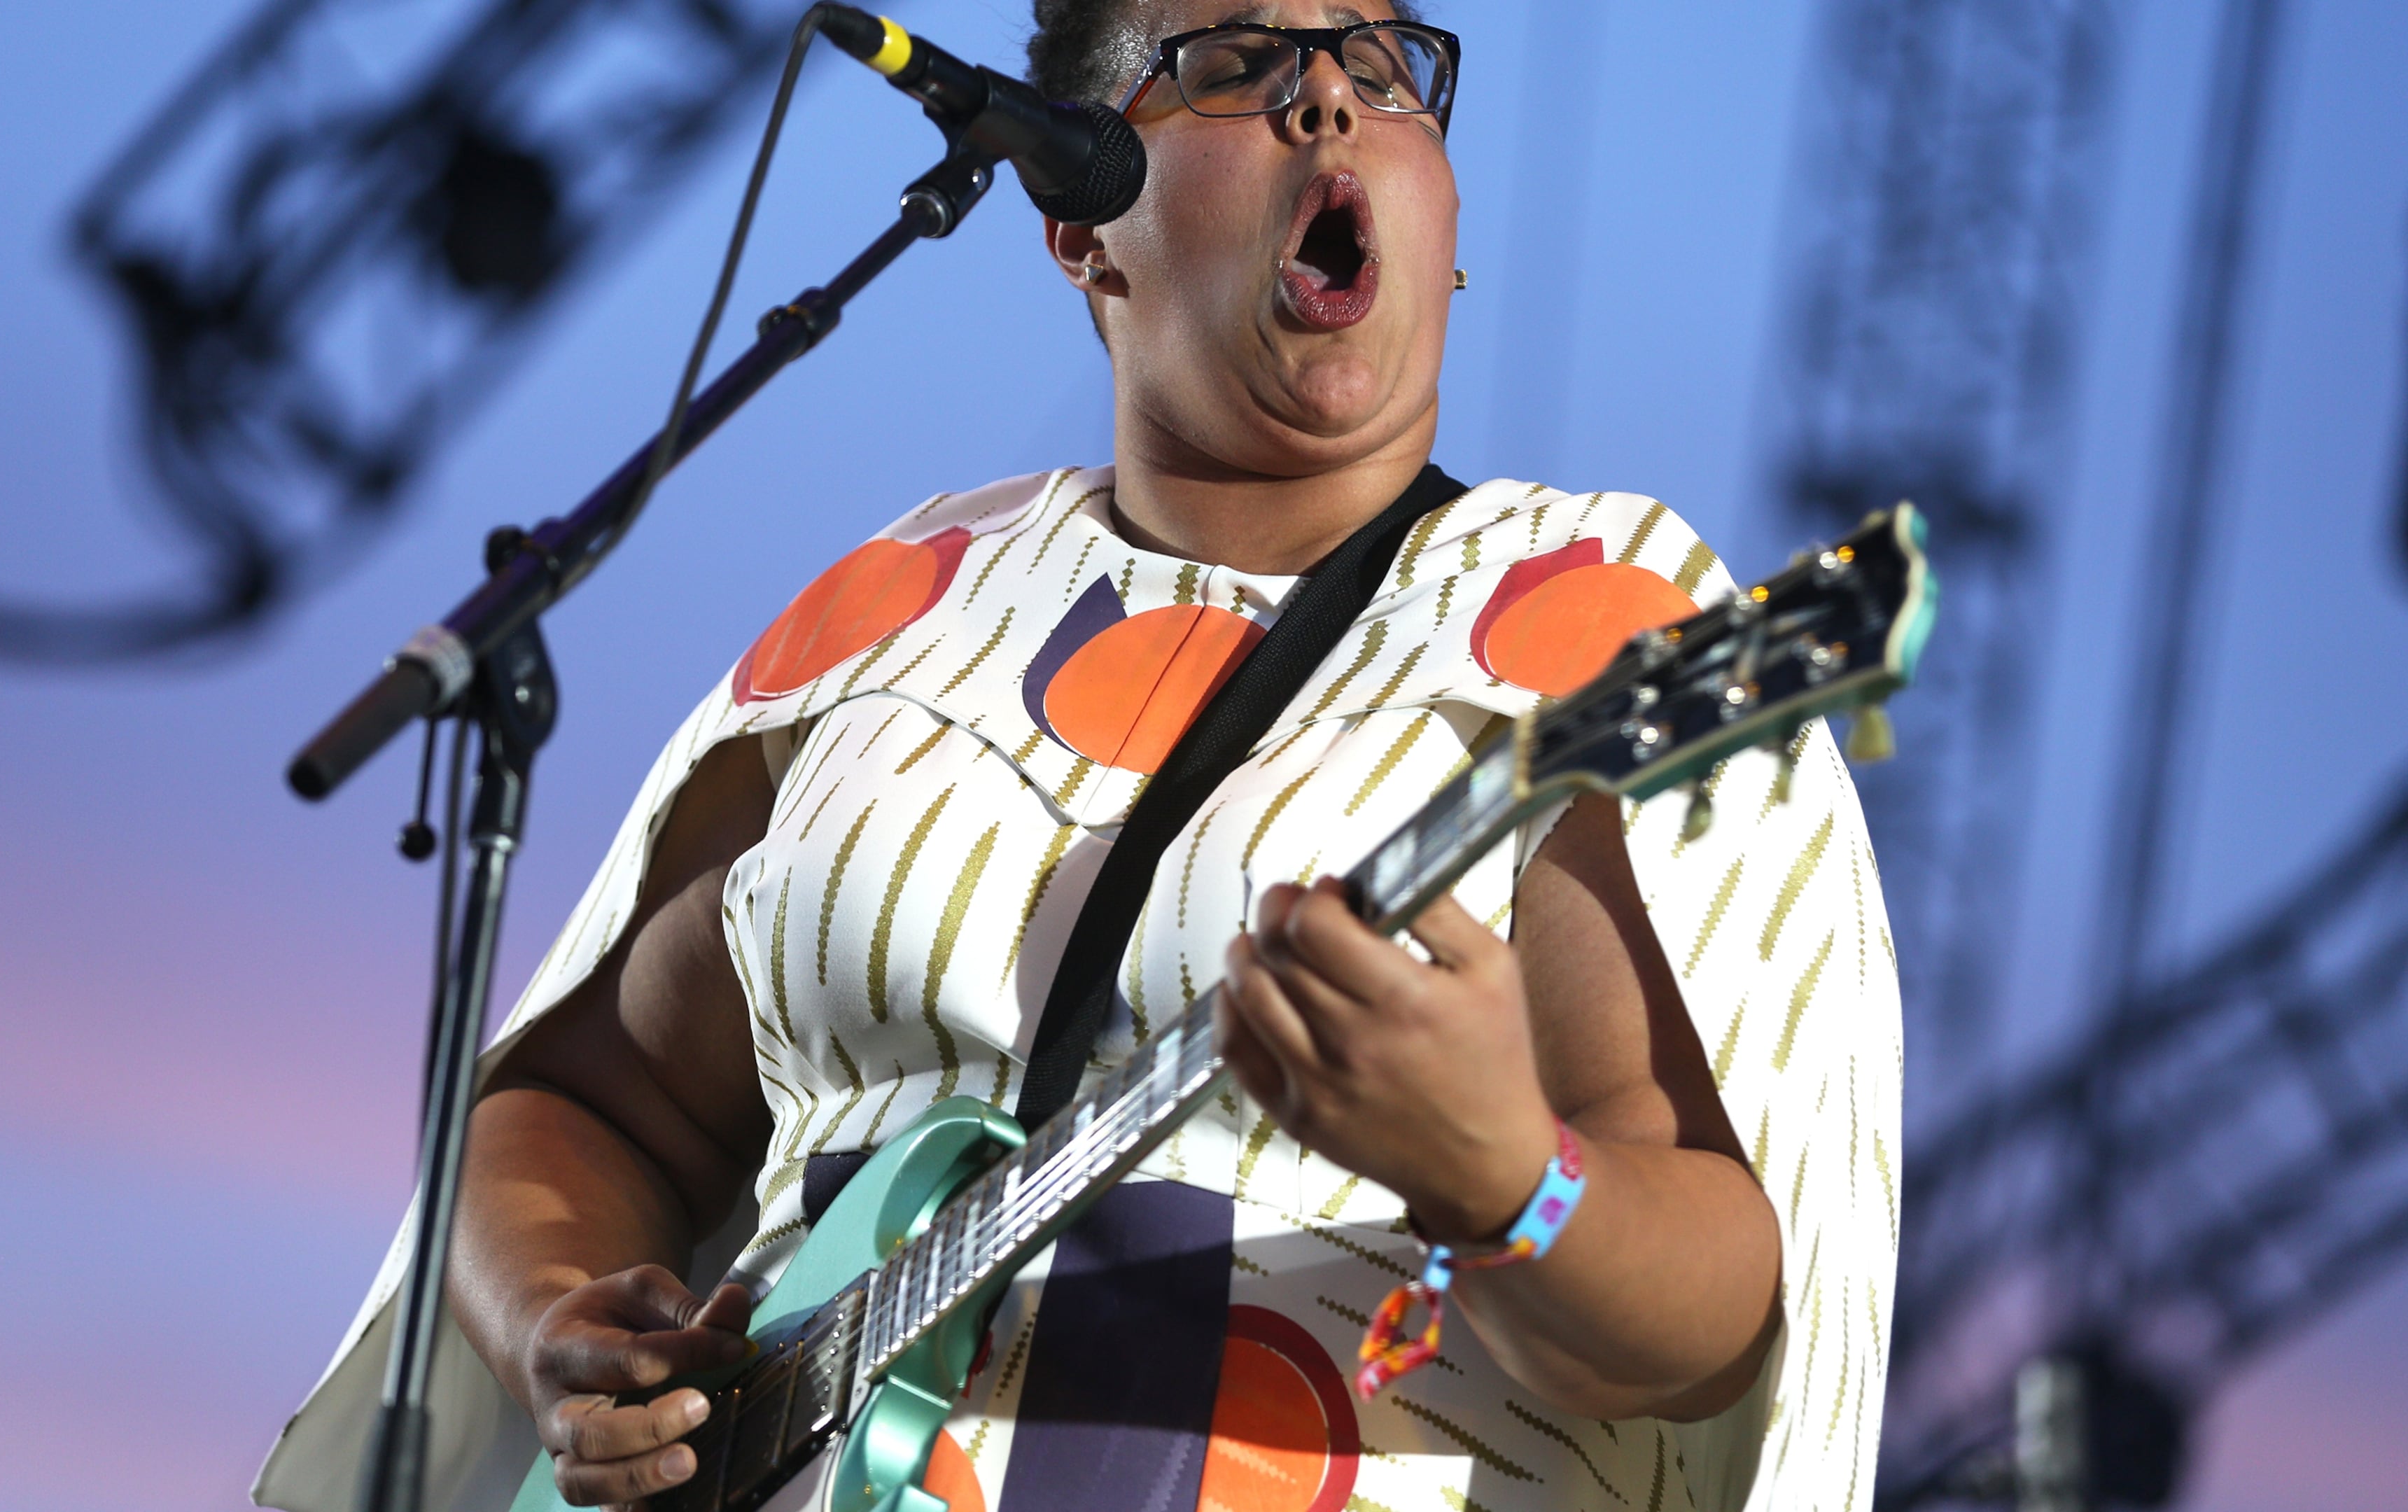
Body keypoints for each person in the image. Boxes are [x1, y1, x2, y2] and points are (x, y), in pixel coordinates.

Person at [255, 3, 1902, 1510]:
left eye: (1387, 67)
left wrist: (1504, 1173)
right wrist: (565, 1326)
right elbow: (571, 1102)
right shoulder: (901, 612)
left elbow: (1712, 1330)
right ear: (1077, 219)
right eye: (1239, 59)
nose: (1330, 94)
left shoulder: (1582, 618)